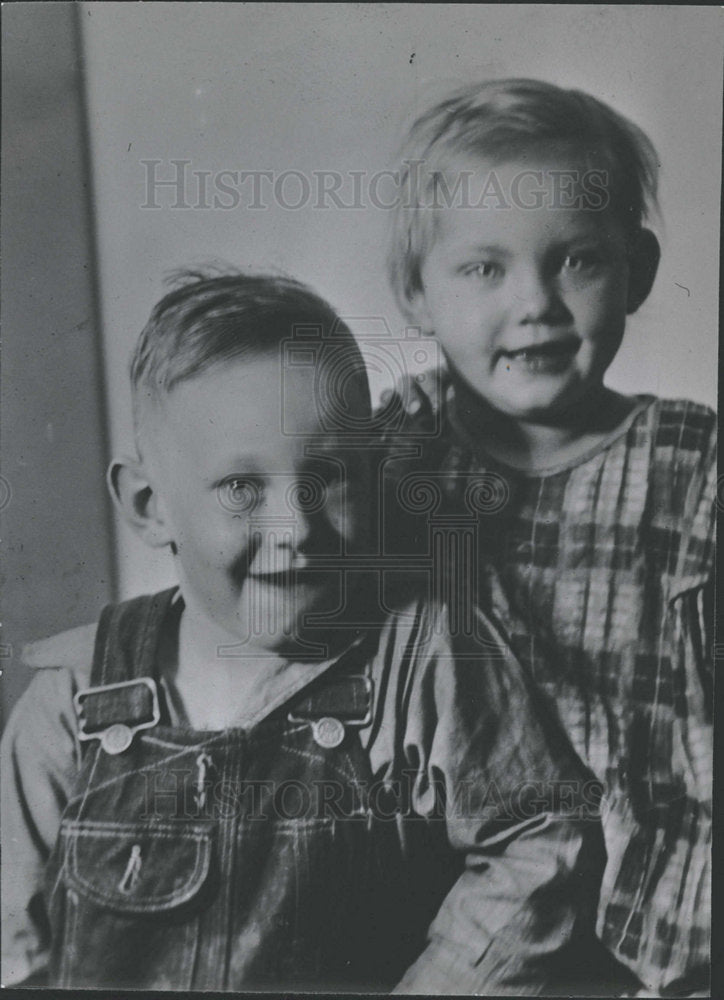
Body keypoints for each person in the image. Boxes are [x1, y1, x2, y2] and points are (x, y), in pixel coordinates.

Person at [2, 270, 604, 994]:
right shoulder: (73, 702)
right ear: (149, 504)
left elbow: (540, 843)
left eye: (327, 476)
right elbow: (14, 941)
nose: (298, 527)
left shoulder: (425, 661)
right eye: (241, 488)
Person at [381, 78, 714, 997]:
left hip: (660, 928)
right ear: (415, 292)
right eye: (484, 269)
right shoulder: (397, 466)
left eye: (577, 260)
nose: (536, 303)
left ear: (637, 271)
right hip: (462, 925)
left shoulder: (694, 465)